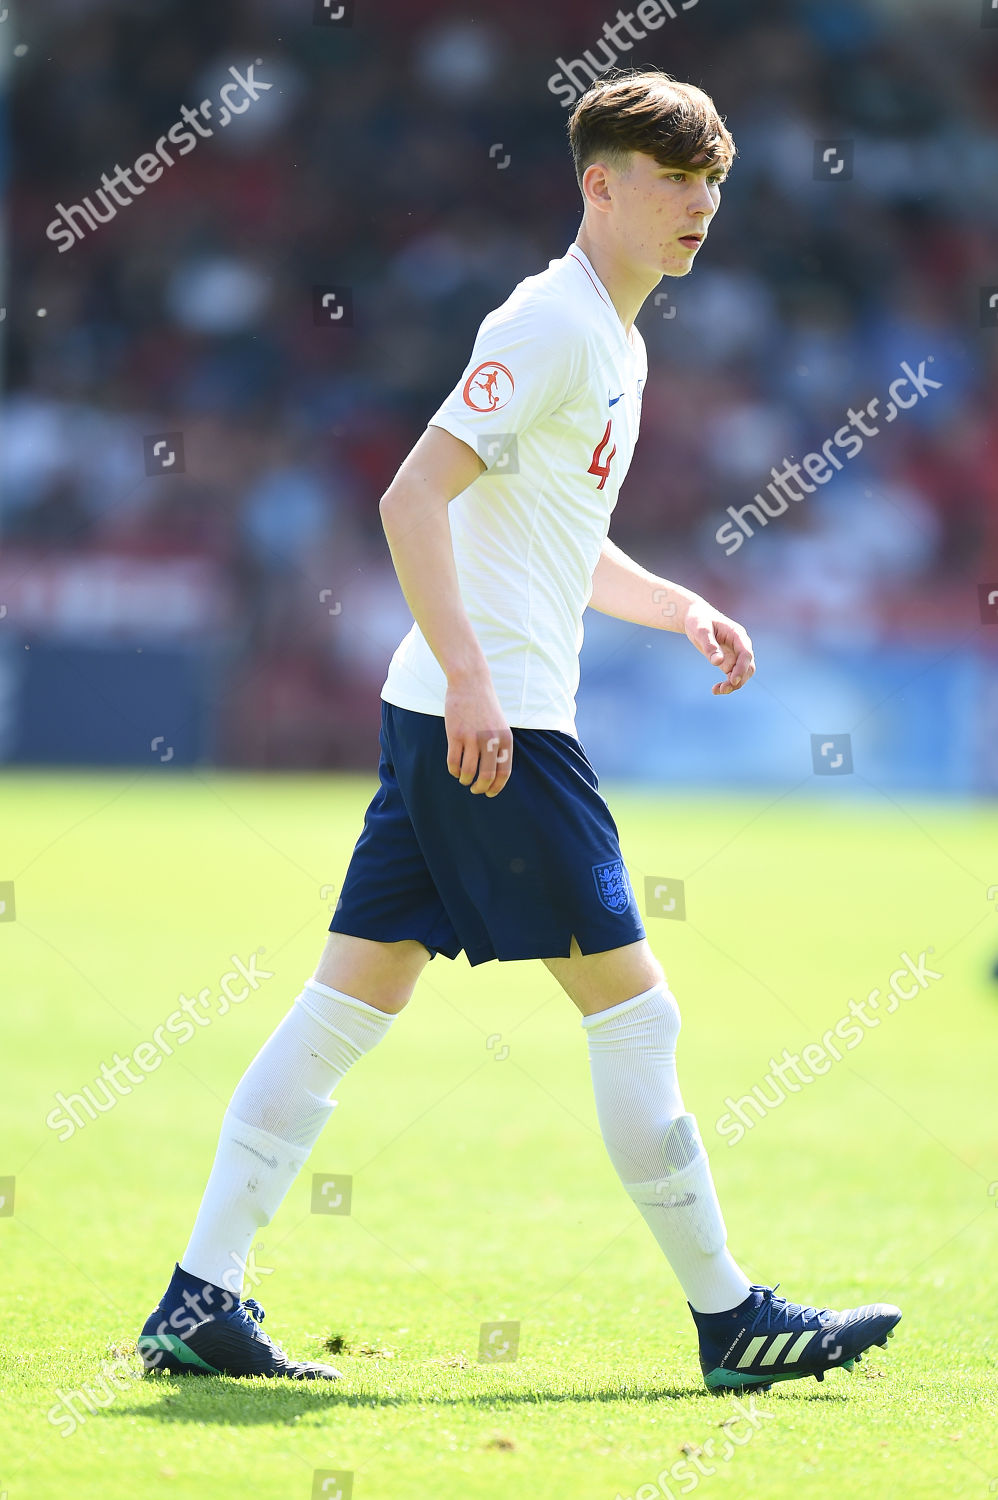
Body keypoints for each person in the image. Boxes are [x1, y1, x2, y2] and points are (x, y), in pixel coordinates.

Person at [139, 68, 900, 1391]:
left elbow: (557, 541)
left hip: (450, 716)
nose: (700, 205)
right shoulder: (549, 323)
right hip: (496, 731)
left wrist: (678, 609)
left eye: (712, 182)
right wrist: (476, 679)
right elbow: (408, 496)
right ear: (599, 185)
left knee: (341, 1009)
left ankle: (196, 1300)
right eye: (674, 180)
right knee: (635, 1019)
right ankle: (730, 1320)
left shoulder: (617, 338)